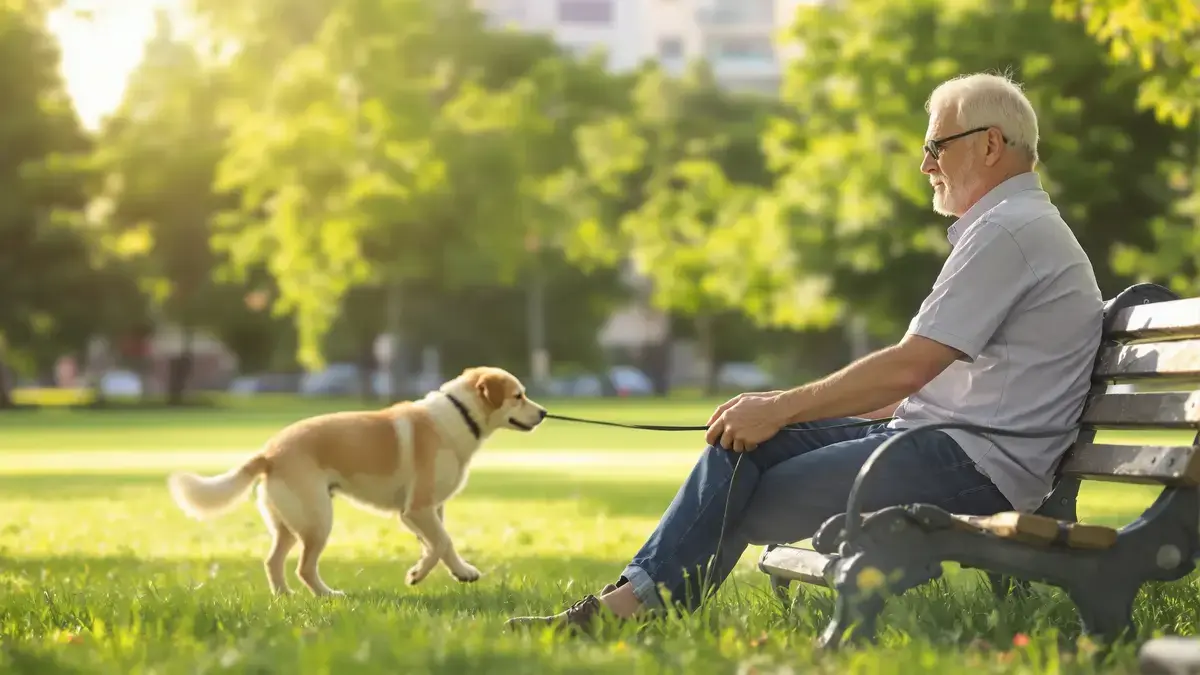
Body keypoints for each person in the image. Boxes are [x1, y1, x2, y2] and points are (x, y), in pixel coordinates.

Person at [505, 72, 1104, 632]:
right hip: (946, 444)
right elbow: (946, 376)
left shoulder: (1009, 230)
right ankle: (631, 605)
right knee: (741, 441)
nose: (925, 165)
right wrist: (776, 412)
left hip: (975, 467)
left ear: (990, 144)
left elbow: (909, 365)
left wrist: (784, 406)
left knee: (739, 491)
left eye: (937, 147)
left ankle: (627, 611)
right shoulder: (1008, 226)